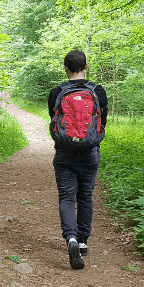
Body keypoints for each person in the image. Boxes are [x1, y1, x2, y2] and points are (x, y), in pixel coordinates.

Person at [48, 49, 108, 270]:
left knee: (66, 197)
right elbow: (102, 123)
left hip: (64, 152)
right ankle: (82, 242)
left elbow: (54, 122)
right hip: (90, 152)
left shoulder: (57, 92)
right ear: (86, 66)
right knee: (85, 197)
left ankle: (70, 238)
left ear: (65, 68)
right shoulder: (98, 91)